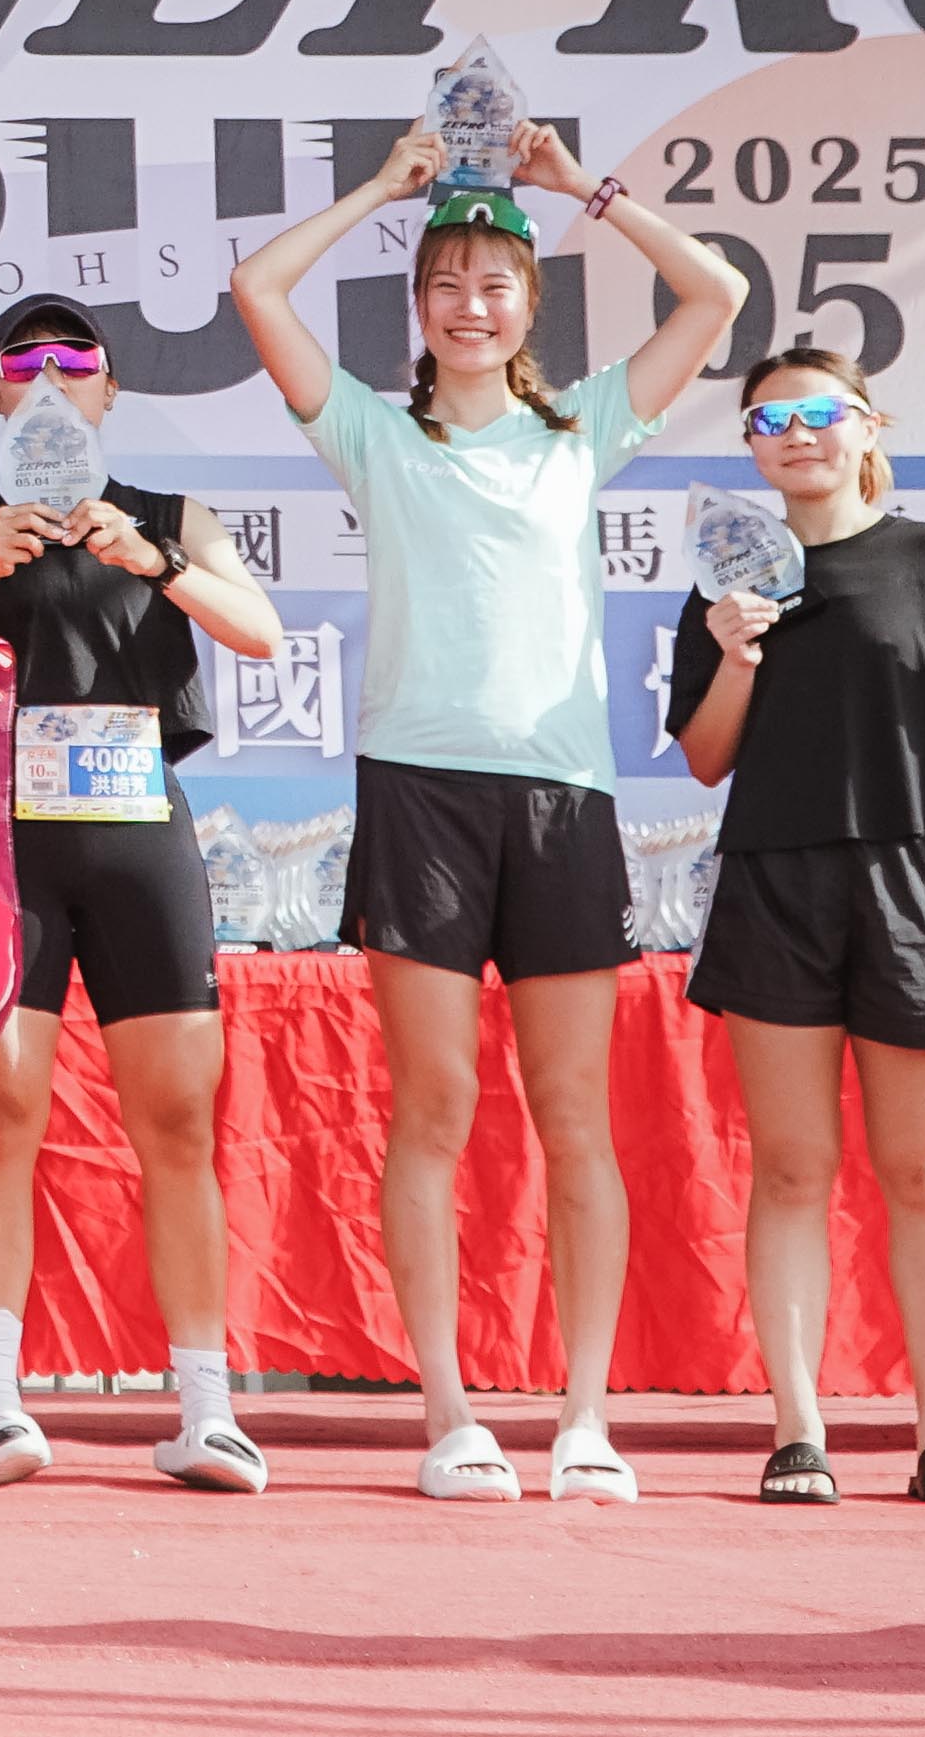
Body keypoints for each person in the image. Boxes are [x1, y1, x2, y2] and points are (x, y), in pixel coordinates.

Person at [225, 116, 746, 1504]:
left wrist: (582, 189)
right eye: (446, 283)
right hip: (419, 790)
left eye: (496, 284)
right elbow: (258, 290)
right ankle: (449, 1412)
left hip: (565, 798)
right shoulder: (375, 434)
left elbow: (717, 294)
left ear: (528, 305)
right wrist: (381, 188)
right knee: (437, 1103)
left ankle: (584, 1417)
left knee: (574, 1110)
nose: (471, 305)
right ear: (418, 306)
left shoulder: (583, 429)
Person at [0, 293, 286, 1494]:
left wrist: (157, 563)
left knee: (178, 1120)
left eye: (77, 361)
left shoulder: (171, 517)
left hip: (137, 828)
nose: (51, 378)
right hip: (3, 841)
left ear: (111, 392)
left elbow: (259, 632)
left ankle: (207, 1409)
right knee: (1, 1117)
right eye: (25, 362)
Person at [670, 352, 925, 1507]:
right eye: (768, 418)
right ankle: (798, 1431)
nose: (796, 433)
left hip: (913, 874)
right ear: (749, 445)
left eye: (819, 412)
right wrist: (736, 649)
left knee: (922, 1169)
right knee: (791, 1167)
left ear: (868, 426)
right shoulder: (729, 574)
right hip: (774, 881)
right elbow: (706, 756)